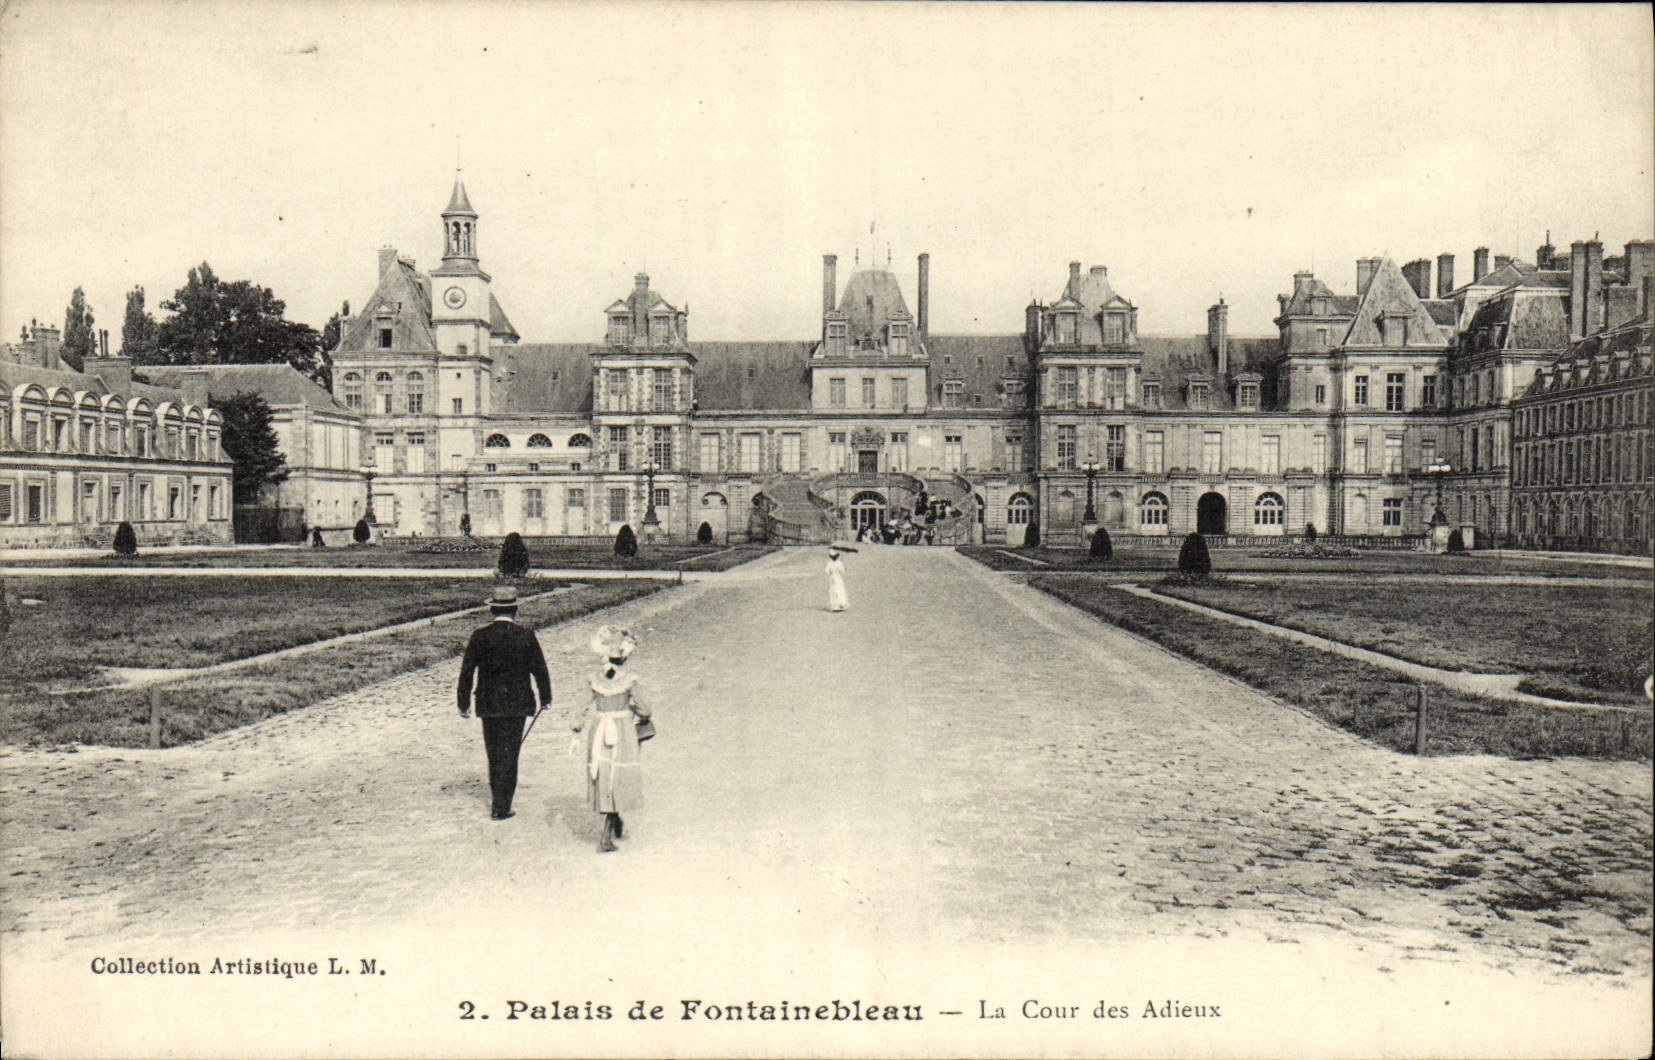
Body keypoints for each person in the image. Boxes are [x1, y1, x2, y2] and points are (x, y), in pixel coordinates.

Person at [457, 585, 552, 821]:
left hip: (488, 703)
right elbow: (540, 669)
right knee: (511, 753)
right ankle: (502, 805)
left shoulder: (480, 636)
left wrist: (463, 702)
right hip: (518, 703)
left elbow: (467, 671)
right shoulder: (525, 635)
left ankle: (497, 803)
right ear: (515, 609)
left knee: (494, 753)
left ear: (492, 610)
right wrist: (546, 697)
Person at [573, 626, 651, 853]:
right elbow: (646, 709)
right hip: (622, 730)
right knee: (618, 774)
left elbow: (580, 708)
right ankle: (606, 836)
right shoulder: (630, 680)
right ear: (625, 656)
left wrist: (576, 728)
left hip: (599, 729)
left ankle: (615, 820)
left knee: (604, 773)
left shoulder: (594, 679)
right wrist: (635, 711)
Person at [824, 547, 849, 612]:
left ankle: (835, 606)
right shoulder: (840, 563)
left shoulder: (829, 563)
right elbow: (842, 571)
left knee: (833, 591)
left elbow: (827, 572)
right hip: (838, 577)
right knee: (840, 590)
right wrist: (844, 569)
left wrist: (831, 573)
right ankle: (841, 604)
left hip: (832, 578)